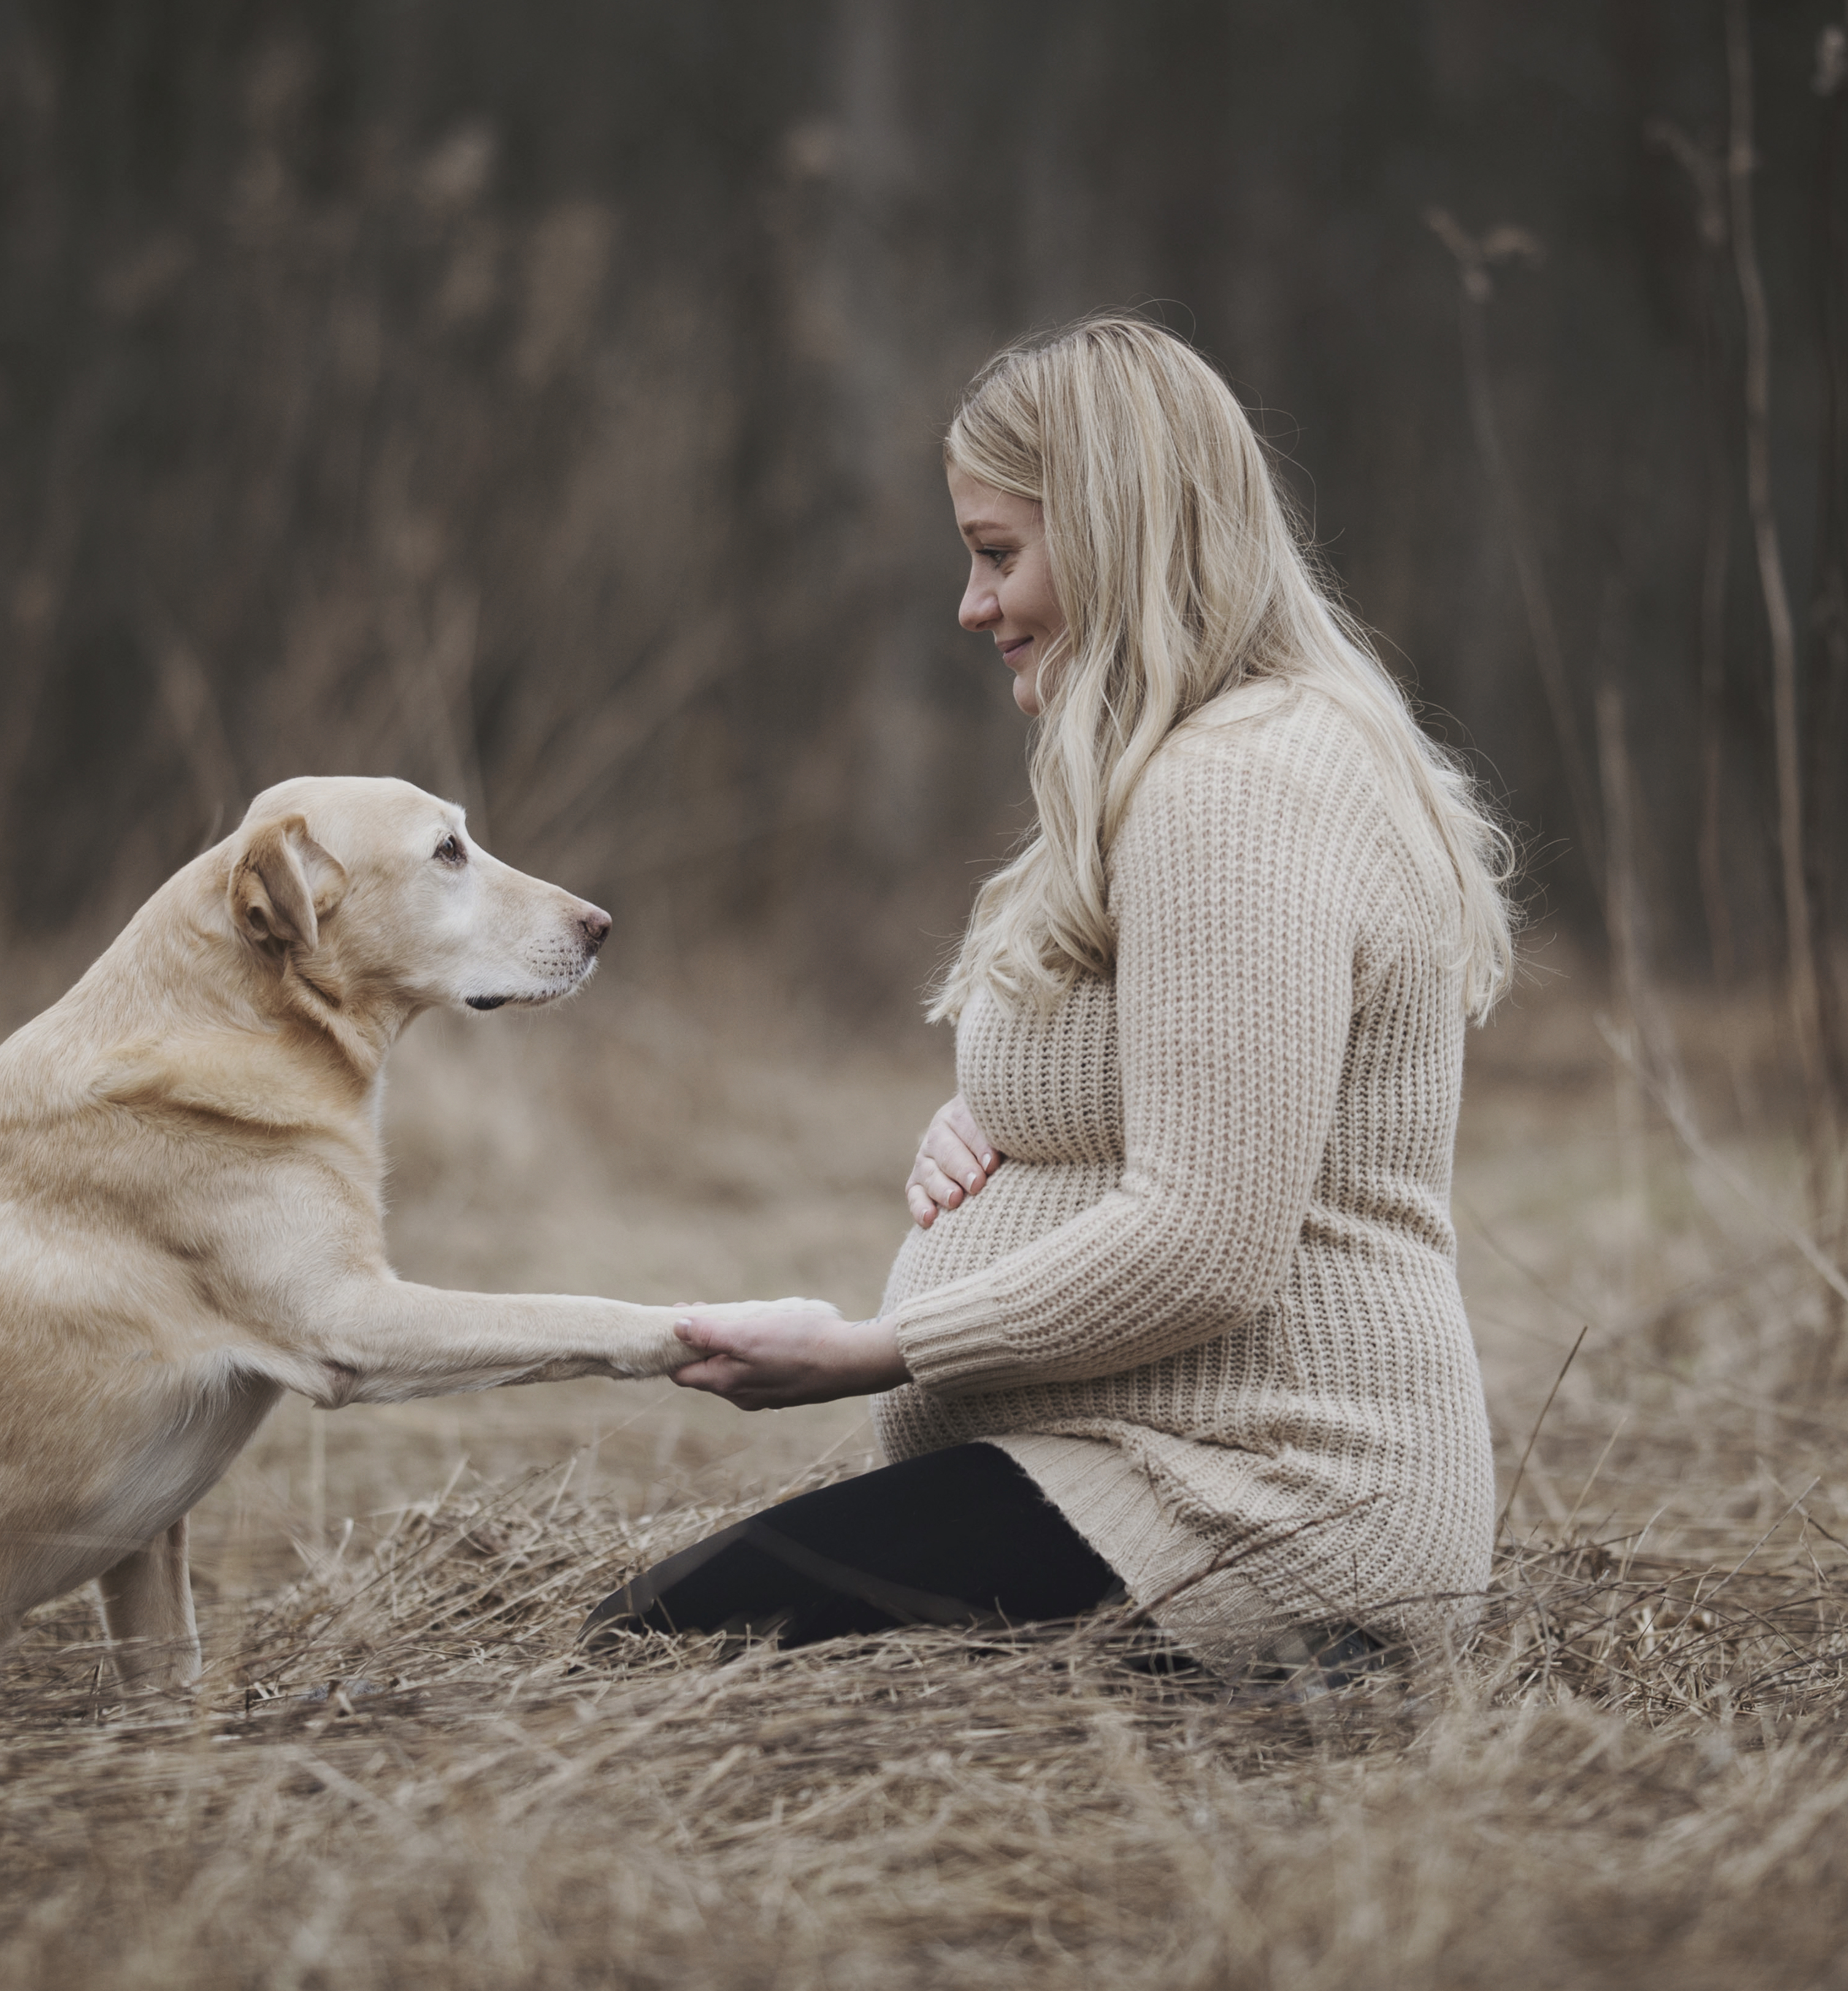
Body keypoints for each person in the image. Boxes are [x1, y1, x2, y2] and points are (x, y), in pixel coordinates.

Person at [586, 314, 1516, 1686]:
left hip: (1264, 1510)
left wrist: (872, 1351)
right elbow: (1182, 1082)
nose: (974, 606)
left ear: (1118, 531)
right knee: (660, 1650)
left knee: (659, 1660)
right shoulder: (1200, 764)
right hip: (1143, 1478)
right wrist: (994, 1127)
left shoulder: (1237, 786)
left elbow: (1208, 1240)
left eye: (997, 552)